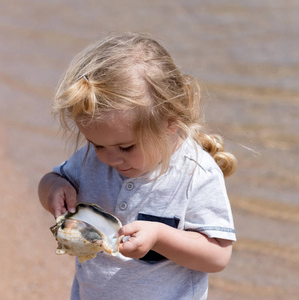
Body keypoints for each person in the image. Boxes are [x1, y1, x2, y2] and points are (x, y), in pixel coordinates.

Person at [38, 32, 237, 300]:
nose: (110, 159)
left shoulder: (195, 174)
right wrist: (54, 188)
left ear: (170, 122)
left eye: (126, 147)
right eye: (97, 144)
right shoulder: (91, 160)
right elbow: (49, 181)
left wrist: (160, 237)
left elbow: (218, 255)